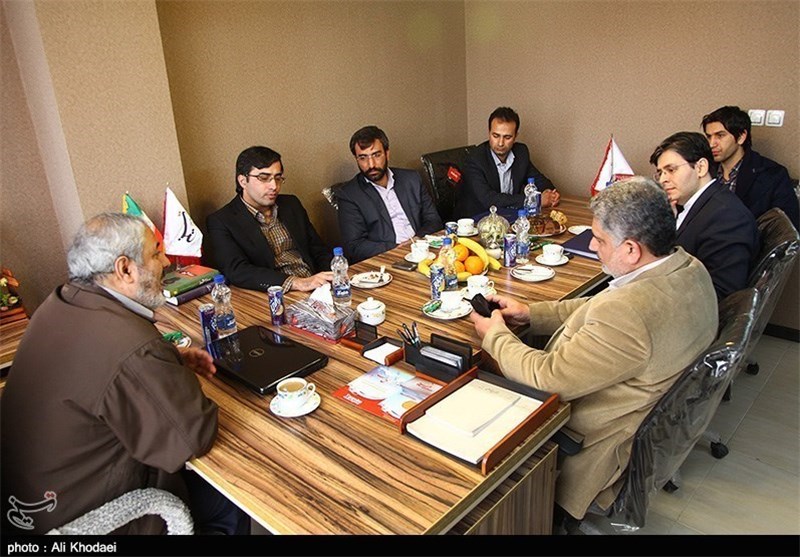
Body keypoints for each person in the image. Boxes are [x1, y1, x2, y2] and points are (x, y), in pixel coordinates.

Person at [469, 177, 718, 524]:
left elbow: (547, 377)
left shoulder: (629, 314)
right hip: (640, 414)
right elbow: (599, 307)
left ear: (630, 250)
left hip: (590, 442)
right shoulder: (686, 267)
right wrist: (531, 314)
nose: (592, 245)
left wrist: (494, 335)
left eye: (599, 240)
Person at [0, 213, 248, 535]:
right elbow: (192, 439)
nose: (166, 263)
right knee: (229, 499)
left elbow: (101, 367)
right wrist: (166, 371)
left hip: (26, 504)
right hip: (86, 521)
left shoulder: (60, 302)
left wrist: (168, 360)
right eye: (156, 253)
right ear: (125, 269)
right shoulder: (134, 349)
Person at [206, 146, 333, 292]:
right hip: (274, 294)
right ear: (243, 181)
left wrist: (335, 275)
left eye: (278, 178)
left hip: (317, 286)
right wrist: (297, 283)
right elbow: (237, 270)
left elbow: (318, 249)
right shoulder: (222, 220)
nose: (274, 186)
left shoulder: (291, 204)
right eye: (264, 178)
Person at [650, 131, 759, 300]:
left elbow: (722, 292)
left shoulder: (727, 217)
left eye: (671, 170)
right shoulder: (697, 204)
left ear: (700, 167)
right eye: (660, 173)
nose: (663, 179)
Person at [336, 126, 443, 262]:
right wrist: (398, 249)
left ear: (387, 153)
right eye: (363, 158)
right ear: (356, 159)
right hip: (388, 259)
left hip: (422, 249)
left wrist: (417, 240)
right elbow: (354, 246)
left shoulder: (411, 179)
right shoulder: (349, 195)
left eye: (376, 155)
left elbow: (433, 220)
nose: (371, 164)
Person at [702, 105, 798, 230]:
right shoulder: (705, 170)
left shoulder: (772, 175)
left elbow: (787, 227)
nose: (711, 144)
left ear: (741, 137)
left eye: (720, 136)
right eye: (709, 137)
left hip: (748, 239)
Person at [456, 106, 560, 219]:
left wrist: (550, 194)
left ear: (515, 136)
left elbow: (539, 180)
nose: (500, 143)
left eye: (507, 137)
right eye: (496, 136)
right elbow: (489, 199)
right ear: (489, 133)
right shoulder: (475, 158)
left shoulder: (520, 152)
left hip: (511, 217)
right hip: (478, 220)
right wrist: (536, 200)